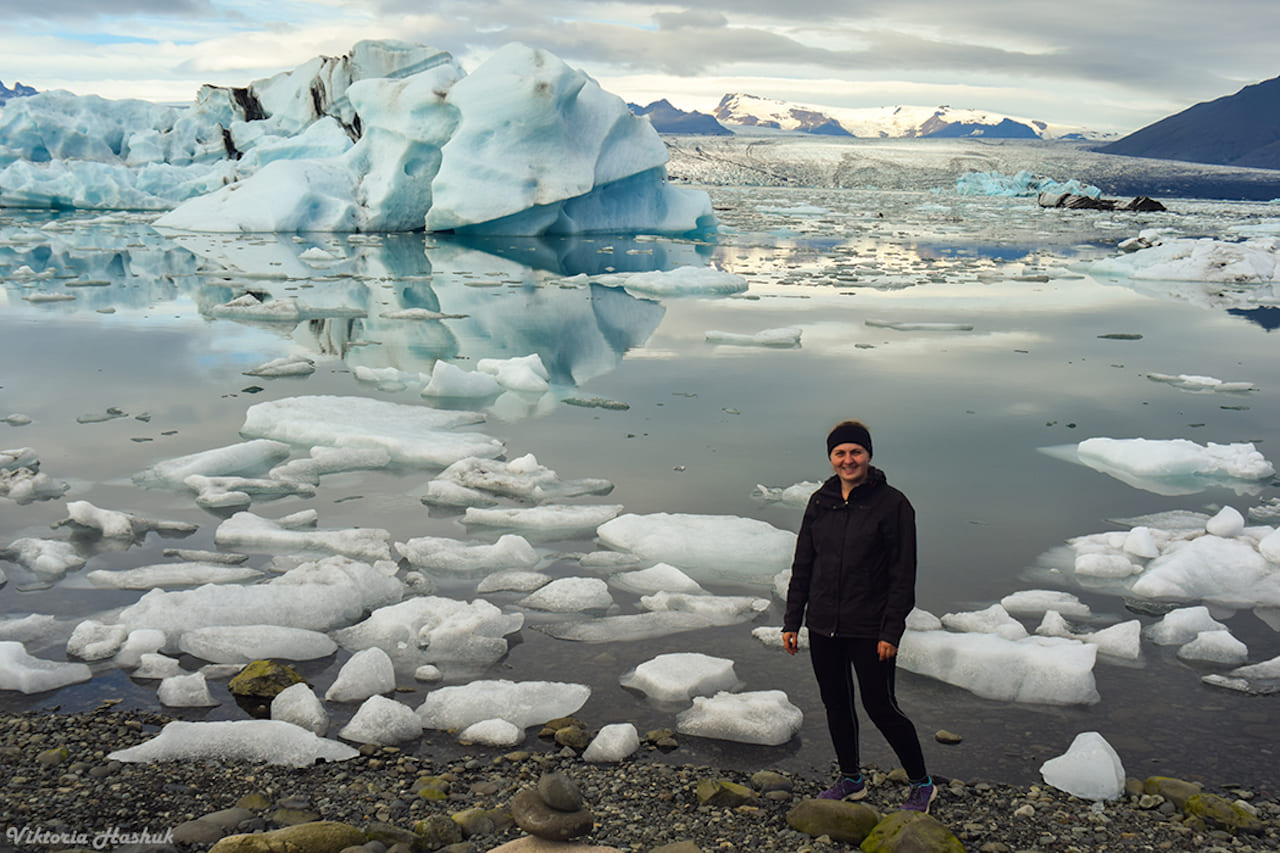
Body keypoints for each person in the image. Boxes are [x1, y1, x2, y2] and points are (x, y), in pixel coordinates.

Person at [781, 419, 935, 813]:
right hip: (824, 626)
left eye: (855, 452)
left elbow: (903, 574)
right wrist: (792, 621)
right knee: (836, 704)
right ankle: (851, 780)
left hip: (870, 628)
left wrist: (891, 631)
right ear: (831, 458)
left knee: (881, 706)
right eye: (840, 453)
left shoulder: (893, 504)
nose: (848, 460)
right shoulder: (821, 501)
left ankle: (922, 783)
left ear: (868, 455)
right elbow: (804, 564)